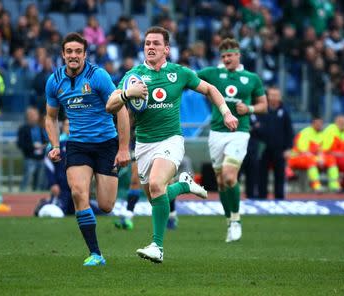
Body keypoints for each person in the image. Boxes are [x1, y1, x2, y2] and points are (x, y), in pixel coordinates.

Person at [106, 26, 238, 263]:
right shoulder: (134, 76)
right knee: (157, 195)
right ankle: (185, 185)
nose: (150, 47)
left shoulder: (180, 73)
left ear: (166, 49)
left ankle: (157, 246)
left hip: (171, 140)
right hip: (144, 144)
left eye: (156, 43)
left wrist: (226, 112)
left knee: (157, 185)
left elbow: (209, 89)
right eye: (147, 43)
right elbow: (110, 105)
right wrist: (127, 93)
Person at [45, 32, 130, 266]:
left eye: (78, 51)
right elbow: (50, 117)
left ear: (84, 54)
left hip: (106, 145)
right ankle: (95, 254)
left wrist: (123, 148)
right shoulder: (54, 81)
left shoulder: (99, 76)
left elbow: (120, 109)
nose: (73, 55)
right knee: (78, 193)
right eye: (69, 51)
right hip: (77, 145)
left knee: (106, 205)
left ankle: (102, 237)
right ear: (63, 54)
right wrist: (54, 144)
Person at [197, 38, 268, 243]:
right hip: (217, 133)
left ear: (238, 55)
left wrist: (250, 109)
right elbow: (188, 79)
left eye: (230, 55)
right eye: (224, 56)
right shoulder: (212, 73)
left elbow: (263, 105)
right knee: (220, 182)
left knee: (229, 176)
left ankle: (236, 221)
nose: (227, 59)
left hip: (239, 132)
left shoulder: (252, 78)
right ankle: (229, 220)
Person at [256, 86, 294, 199]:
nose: (274, 98)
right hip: (263, 148)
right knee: (262, 175)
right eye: (272, 95)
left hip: (279, 149)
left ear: (280, 97)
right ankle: (261, 198)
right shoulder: (262, 110)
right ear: (267, 96)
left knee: (280, 175)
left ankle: (279, 199)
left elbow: (289, 131)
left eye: (276, 95)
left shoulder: (284, 112)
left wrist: (288, 148)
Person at [287, 117, 341, 193]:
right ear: (312, 124)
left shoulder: (323, 134)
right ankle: (316, 186)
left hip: (313, 158)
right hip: (296, 157)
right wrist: (318, 159)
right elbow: (304, 151)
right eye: (317, 123)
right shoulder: (305, 133)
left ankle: (334, 185)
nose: (319, 125)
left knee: (331, 159)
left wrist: (321, 158)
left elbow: (322, 150)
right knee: (310, 161)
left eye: (321, 123)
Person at [322, 114, 344, 191]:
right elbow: (326, 149)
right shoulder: (329, 130)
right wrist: (342, 154)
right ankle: (339, 184)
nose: (342, 124)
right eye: (340, 122)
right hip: (331, 155)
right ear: (336, 122)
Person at [17, 106, 47, 191]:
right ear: (27, 116)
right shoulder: (23, 129)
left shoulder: (41, 128)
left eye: (35, 115)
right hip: (30, 158)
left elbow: (45, 140)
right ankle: (22, 194)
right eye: (31, 115)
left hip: (41, 158)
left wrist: (44, 145)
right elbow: (20, 144)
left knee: (39, 181)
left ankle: (37, 196)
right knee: (27, 178)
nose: (34, 117)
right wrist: (32, 146)